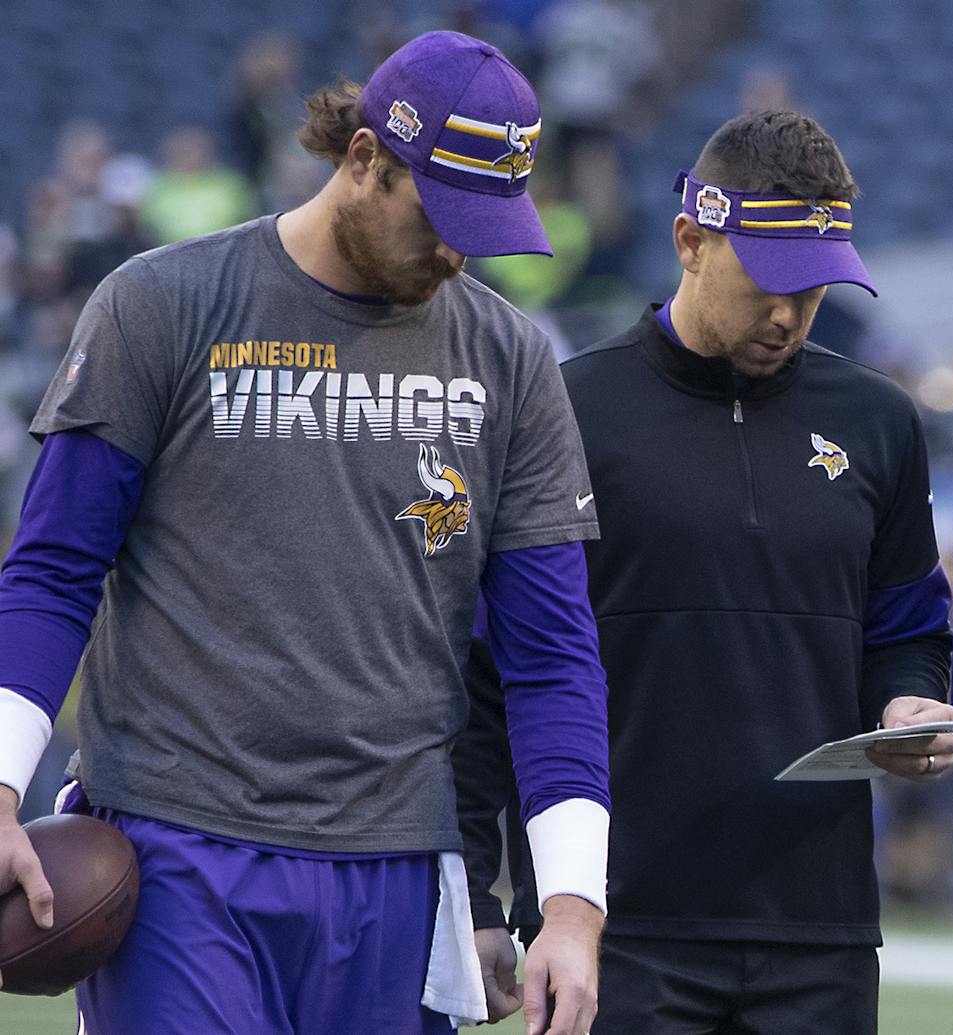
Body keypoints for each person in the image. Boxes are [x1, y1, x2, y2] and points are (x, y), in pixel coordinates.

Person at [0, 31, 610, 1035]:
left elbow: (551, 656)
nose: (458, 251)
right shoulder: (163, 304)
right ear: (363, 158)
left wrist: (573, 907)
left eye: (485, 224)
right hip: (175, 848)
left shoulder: (510, 358)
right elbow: (55, 571)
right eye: (439, 215)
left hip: (402, 867)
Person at [464, 109, 953, 1034]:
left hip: (822, 928)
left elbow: (905, 632)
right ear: (690, 240)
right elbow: (495, 675)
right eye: (768, 281)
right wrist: (480, 900)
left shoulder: (879, 421)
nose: (790, 313)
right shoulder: (568, 412)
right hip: (615, 924)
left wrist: (908, 703)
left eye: (815, 287)